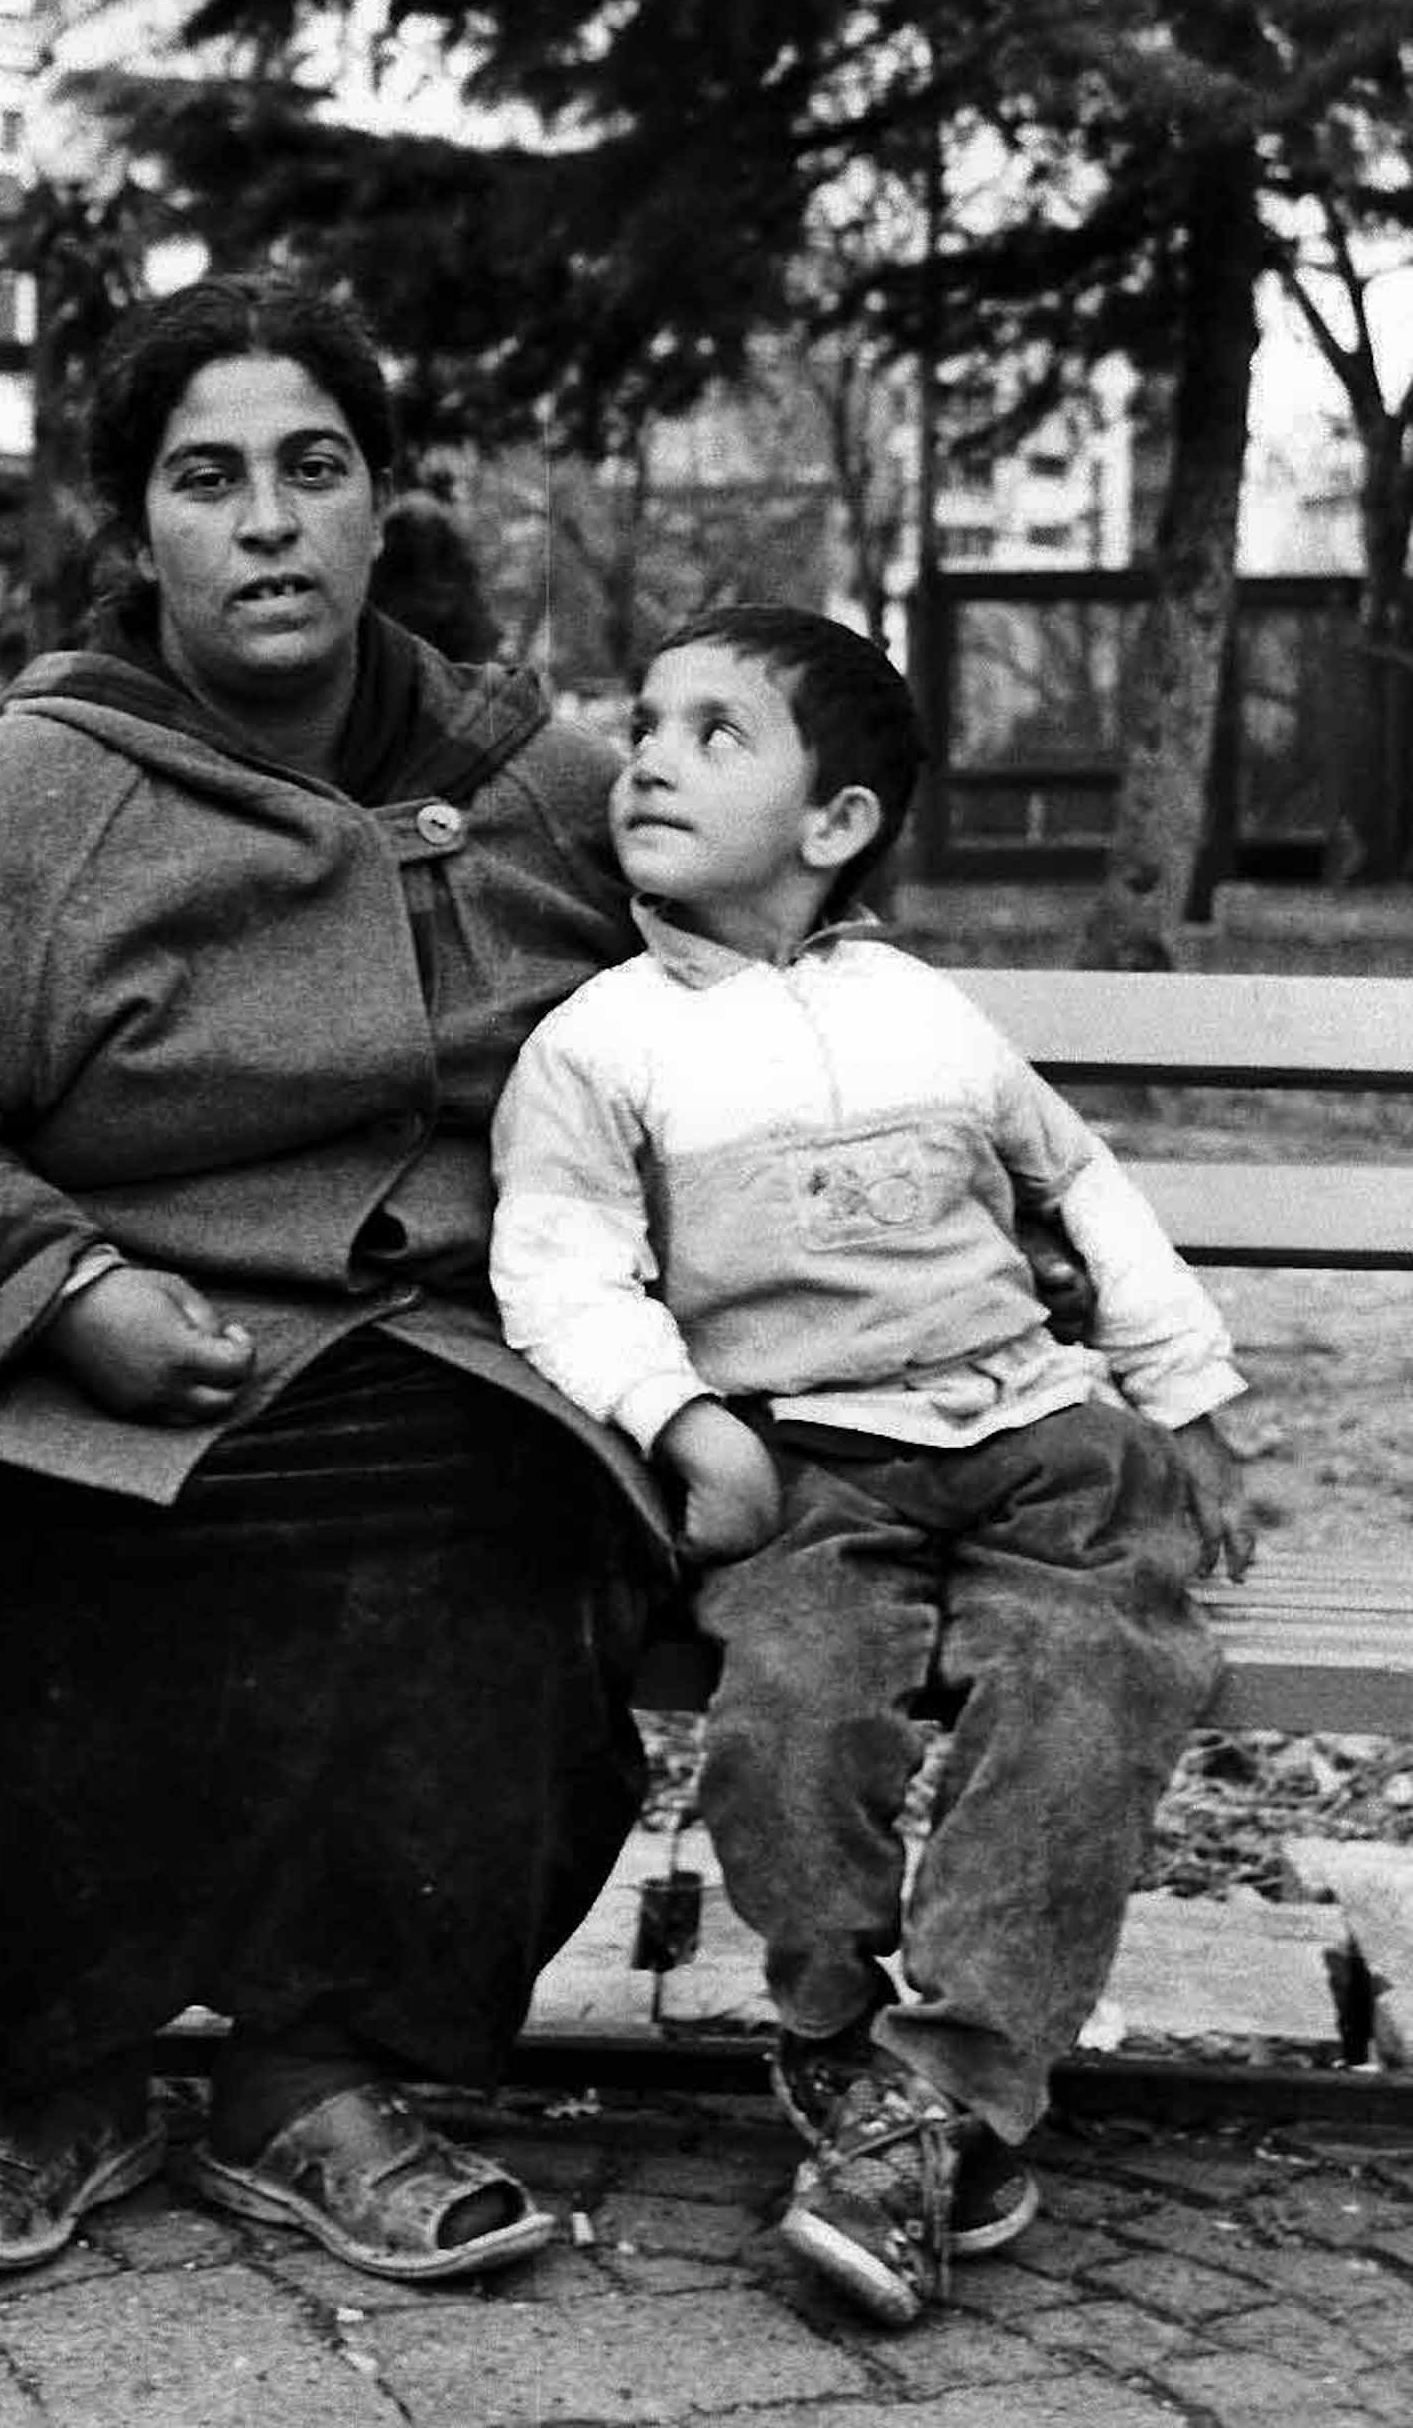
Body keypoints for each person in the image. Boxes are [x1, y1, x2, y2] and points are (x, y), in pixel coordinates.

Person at [0, 271, 673, 2284]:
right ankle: (43, 2082)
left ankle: (315, 2083)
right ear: (135, 528)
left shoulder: (553, 791)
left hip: (427, 1343)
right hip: (32, 1329)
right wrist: (62, 1295)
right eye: (207, 479)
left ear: (381, 497)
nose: (267, 523)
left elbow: (784, 1014)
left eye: (313, 469)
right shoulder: (19, 797)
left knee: (511, 1529)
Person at [489, 601, 1254, 2330]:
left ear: (835, 823)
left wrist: (1188, 1401)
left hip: (1036, 1438)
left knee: (1087, 1684)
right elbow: (561, 1272)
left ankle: (941, 2089)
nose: (650, 759)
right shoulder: (599, 1042)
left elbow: (1082, 1187)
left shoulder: (925, 1011)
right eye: (645, 723)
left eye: (715, 733)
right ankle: (842, 2040)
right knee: (788, 1720)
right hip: (804, 1468)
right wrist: (682, 1424)